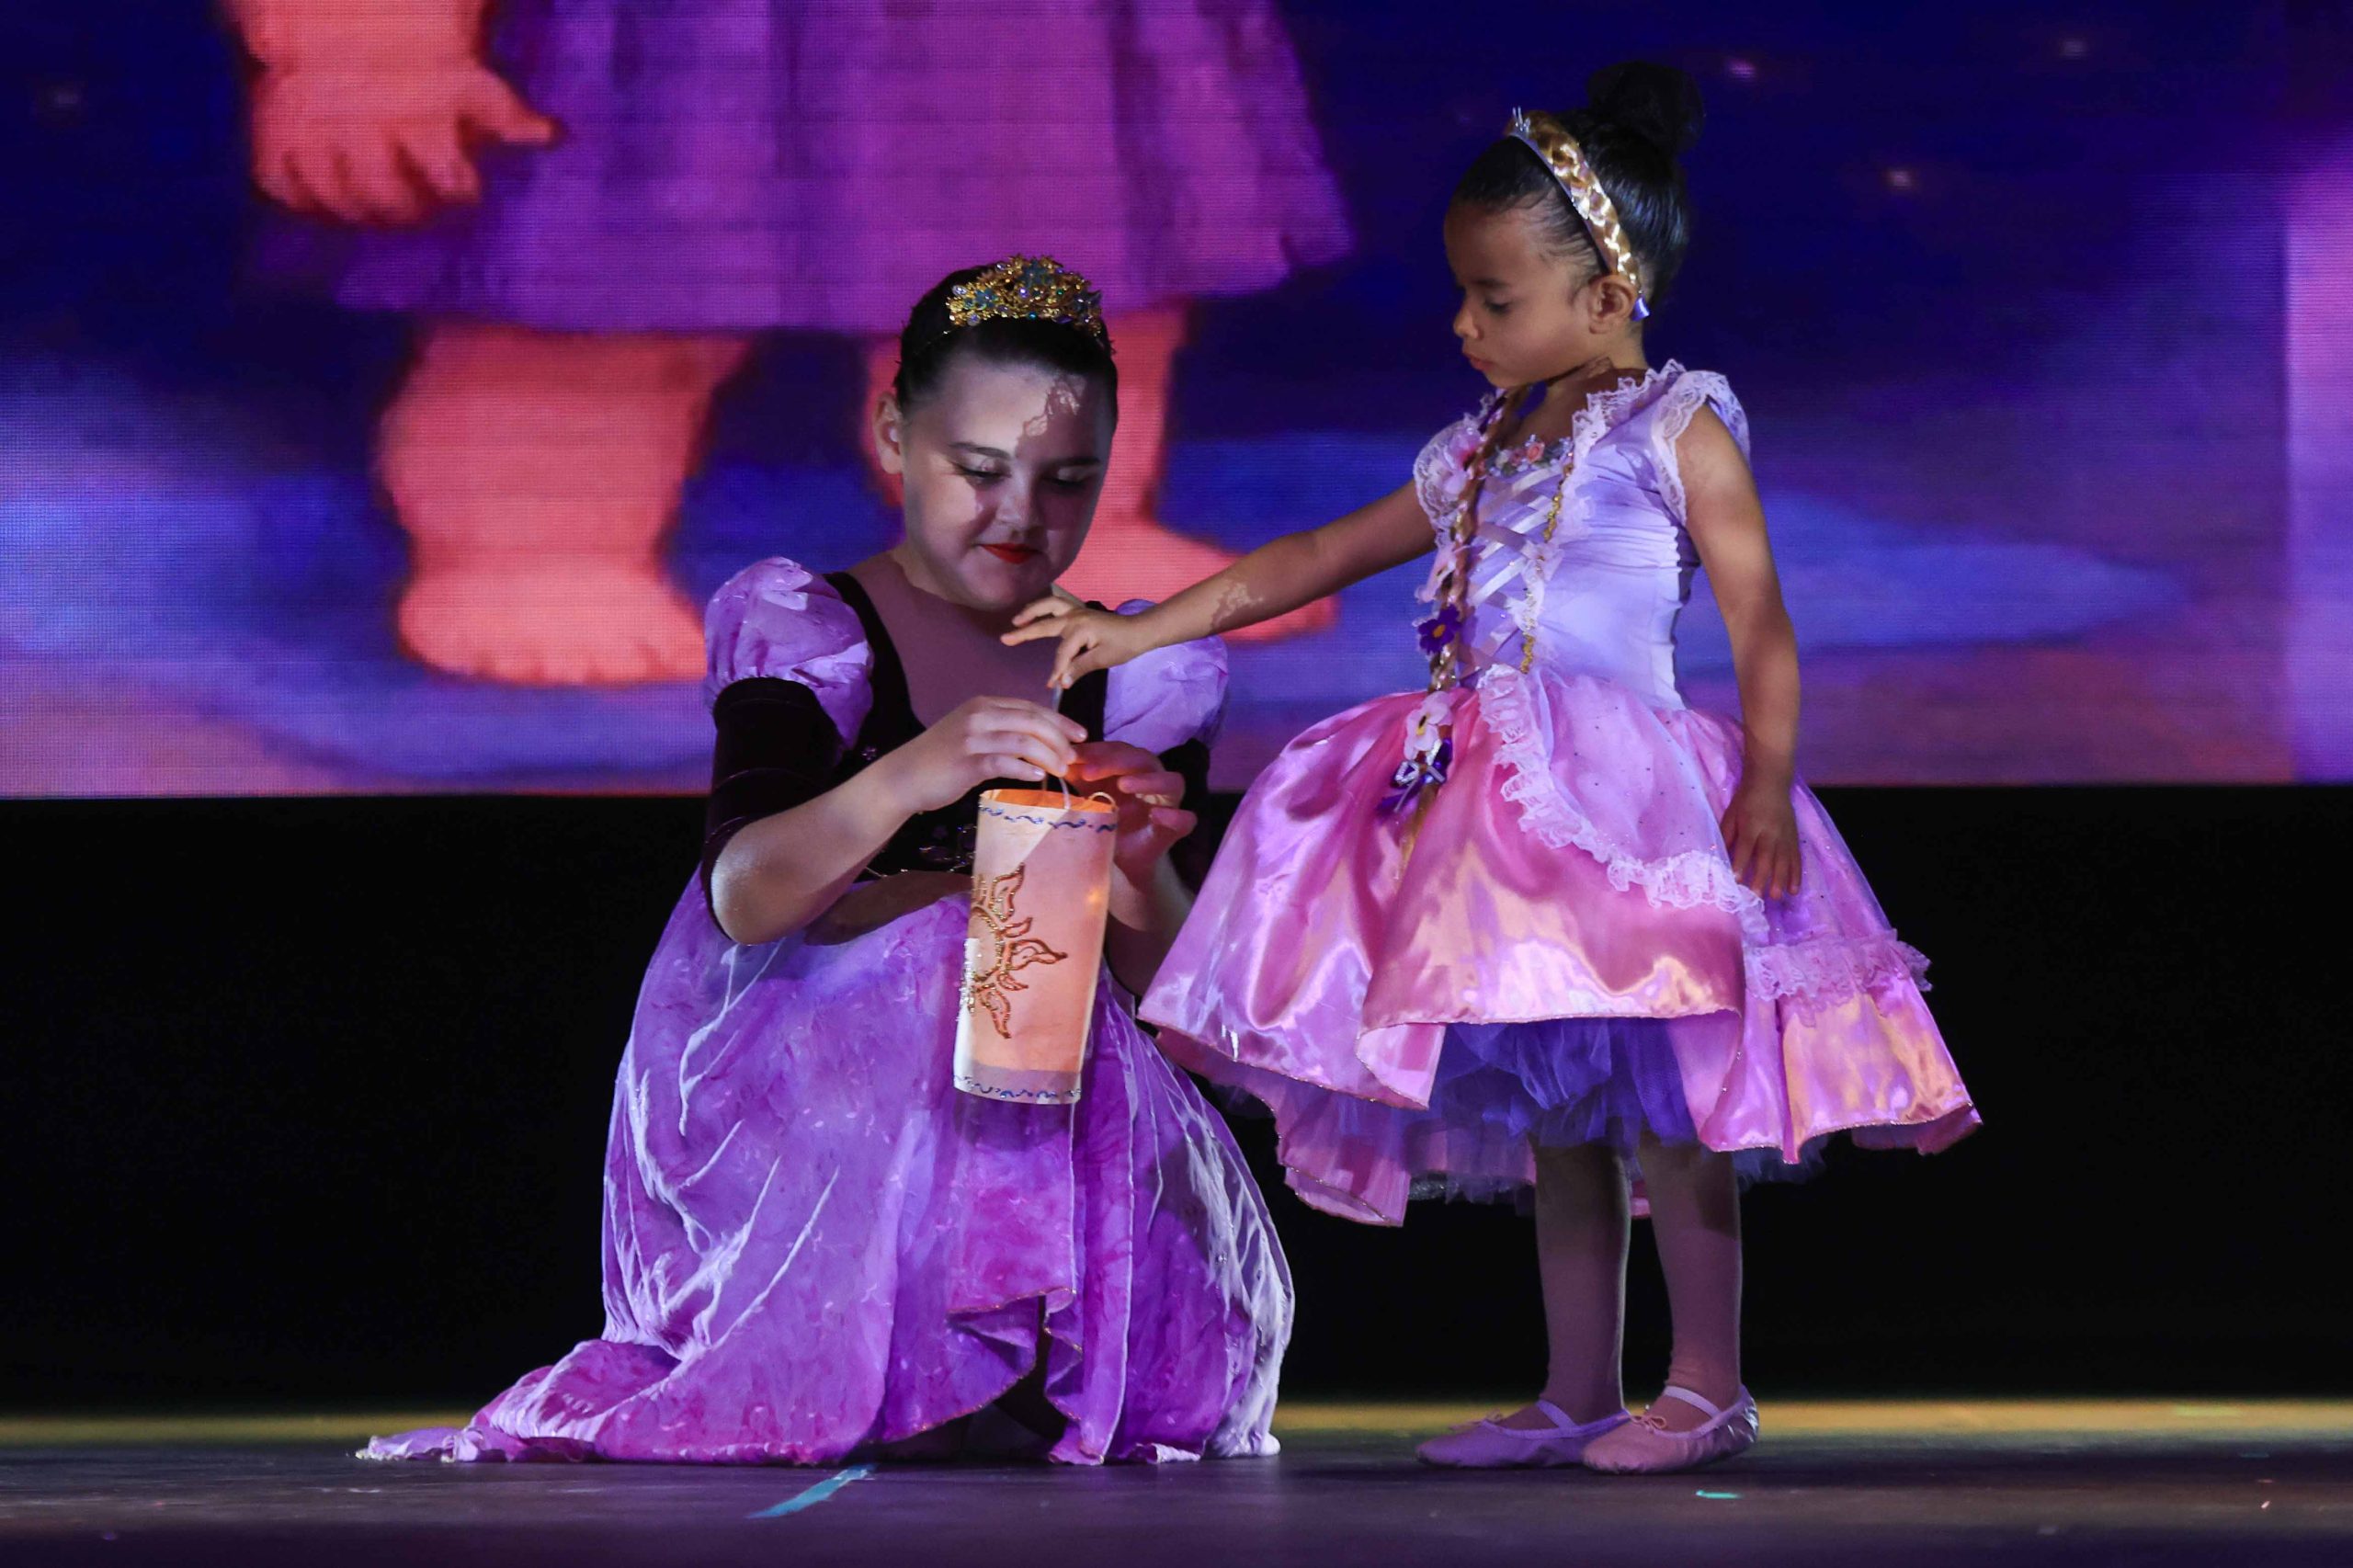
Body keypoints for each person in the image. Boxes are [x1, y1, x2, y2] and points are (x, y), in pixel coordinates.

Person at [1007, 65, 1977, 1475]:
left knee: (1675, 1101)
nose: (1465, 325)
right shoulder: (1474, 449)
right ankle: (1579, 1386)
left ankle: (1707, 1383)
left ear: (1609, 291)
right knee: (1561, 1112)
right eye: (1464, 295)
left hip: (1631, 803)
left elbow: (1760, 618)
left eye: (1495, 299)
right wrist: (1142, 625)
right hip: (1501, 820)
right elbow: (1314, 556)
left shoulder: (1676, 426)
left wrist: (1766, 783)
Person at [364, 258, 1289, 1464]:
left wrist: (1139, 869)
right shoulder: (812, 628)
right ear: (894, 434)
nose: (1021, 514)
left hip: (1047, 1083)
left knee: (1015, 971)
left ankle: (1013, 1352)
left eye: (1067, 479)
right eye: (979, 470)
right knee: (955, 943)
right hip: (794, 1083)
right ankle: (894, 1357)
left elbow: (1170, 996)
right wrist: (917, 770)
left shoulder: (1139, 667)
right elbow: (746, 899)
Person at [229, 0, 1347, 685]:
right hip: (648, 44)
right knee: (595, 290)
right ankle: (536, 545)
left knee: (1046, 284)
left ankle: (1042, 534)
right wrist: (360, 39)